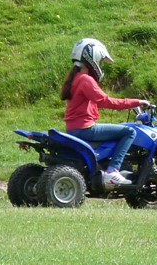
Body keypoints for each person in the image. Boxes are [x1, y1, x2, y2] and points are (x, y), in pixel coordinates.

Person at [60, 38, 151, 187]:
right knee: (129, 132)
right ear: (93, 58)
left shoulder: (74, 78)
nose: (100, 65)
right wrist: (136, 102)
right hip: (85, 128)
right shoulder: (85, 80)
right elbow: (106, 101)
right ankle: (112, 171)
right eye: (100, 61)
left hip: (73, 128)